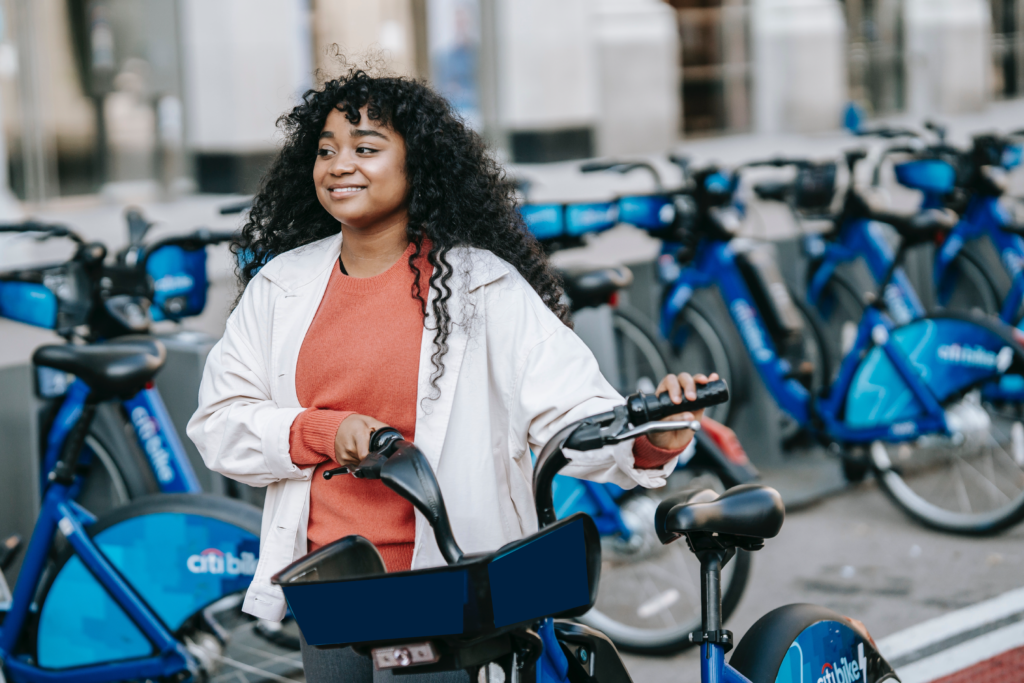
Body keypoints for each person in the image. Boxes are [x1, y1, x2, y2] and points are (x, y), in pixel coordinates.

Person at [187, 68, 718, 683]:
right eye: (326, 150)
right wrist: (322, 432)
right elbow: (218, 424)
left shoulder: (481, 285)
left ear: (418, 165)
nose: (339, 165)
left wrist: (651, 439)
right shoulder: (282, 286)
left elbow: (571, 414)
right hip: (332, 594)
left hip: (449, 594)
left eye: (365, 148)